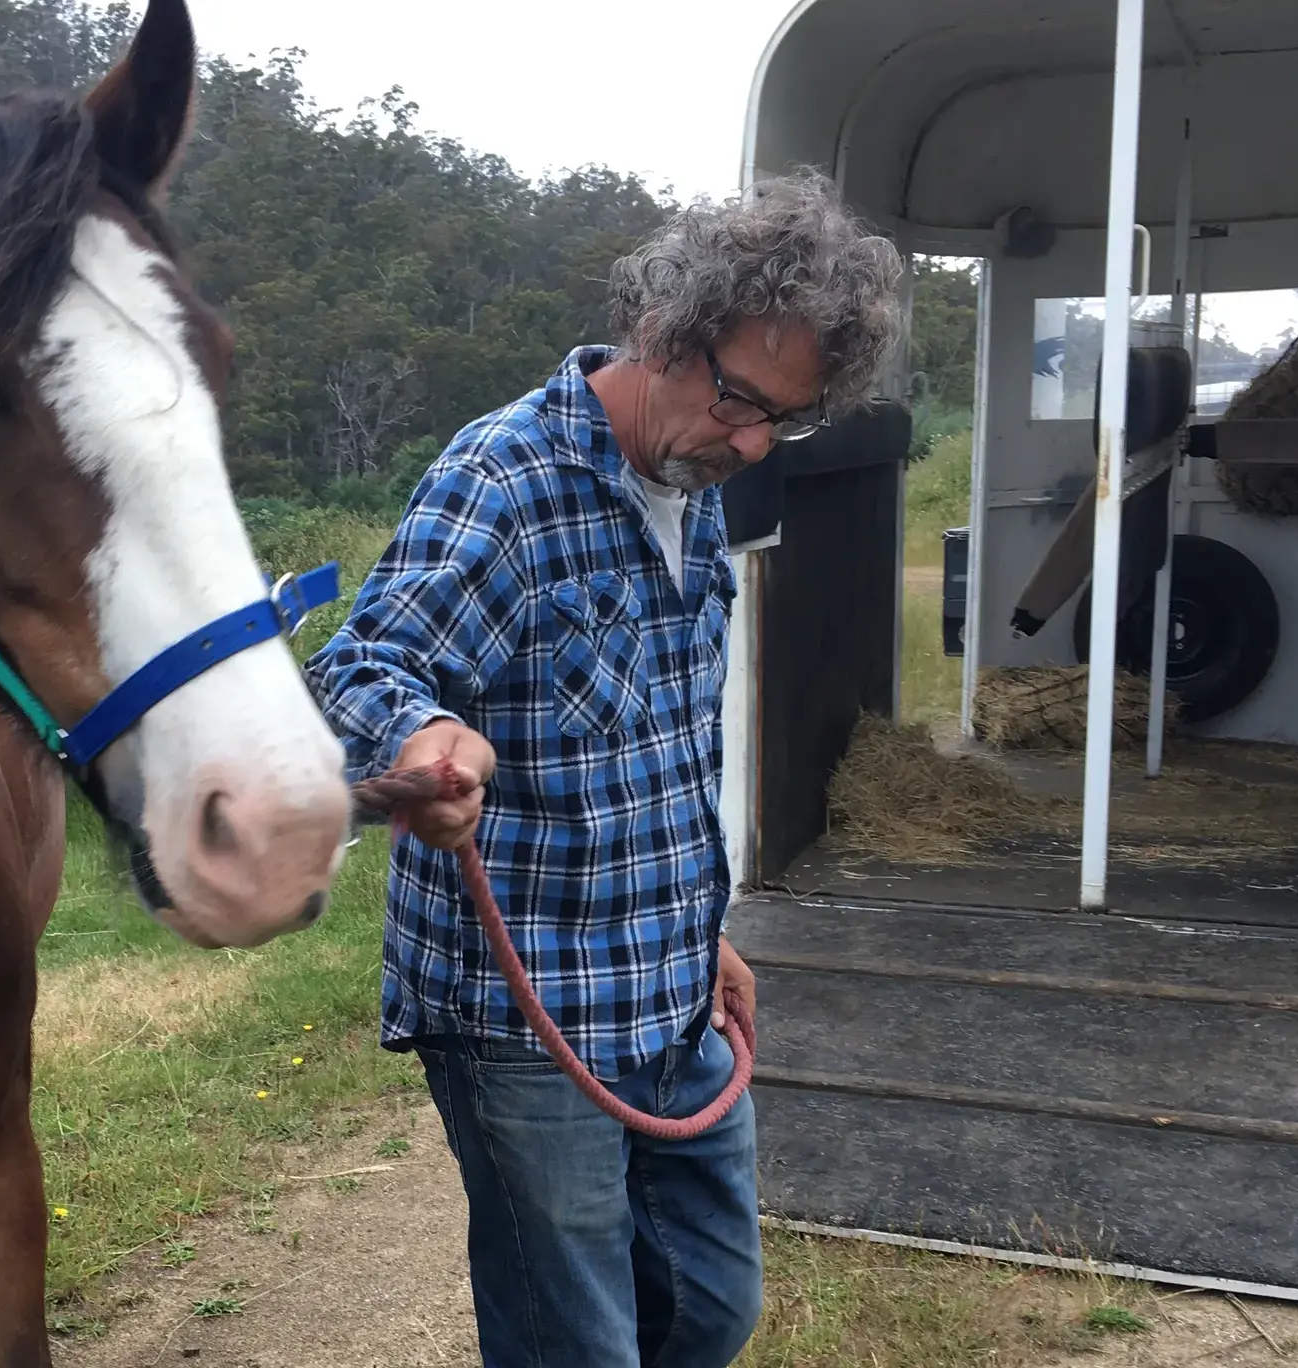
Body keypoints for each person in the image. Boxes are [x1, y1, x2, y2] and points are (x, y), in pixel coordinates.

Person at [302, 169, 903, 1368]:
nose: (750, 443)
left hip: (668, 986)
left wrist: (704, 934)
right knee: (572, 1342)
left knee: (709, 1305)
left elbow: (664, 755)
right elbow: (358, 668)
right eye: (738, 399)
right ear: (661, 333)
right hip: (522, 1017)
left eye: (782, 421)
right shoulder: (507, 479)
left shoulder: (697, 484)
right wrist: (421, 738)